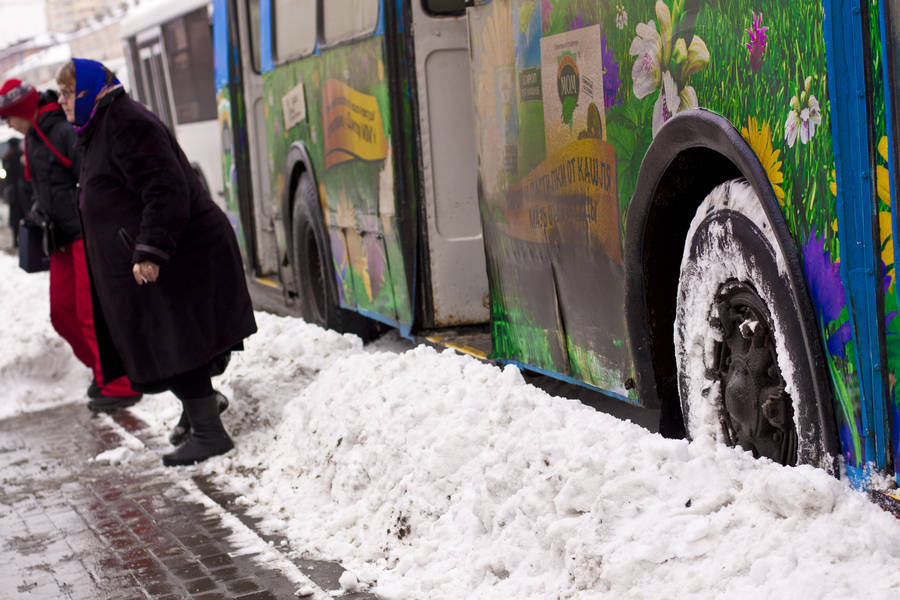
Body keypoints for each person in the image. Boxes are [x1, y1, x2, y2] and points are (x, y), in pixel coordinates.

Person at [56, 58, 257, 467]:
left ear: (88, 91)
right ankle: (199, 410)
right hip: (150, 255)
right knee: (165, 339)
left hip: (175, 254)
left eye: (65, 93)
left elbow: (164, 187)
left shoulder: (126, 124)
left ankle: (209, 433)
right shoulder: (100, 125)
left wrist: (150, 250)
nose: (60, 101)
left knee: (176, 338)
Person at [0, 78, 141, 405]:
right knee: (62, 313)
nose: (7, 124)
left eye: (8, 117)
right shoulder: (33, 137)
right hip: (59, 237)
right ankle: (102, 370)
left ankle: (122, 385)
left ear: (21, 110)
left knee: (90, 312)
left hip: (83, 233)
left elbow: (92, 177)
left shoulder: (61, 131)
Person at [1, 137, 29, 246]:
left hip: (14, 190)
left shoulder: (6, 158)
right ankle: (22, 238)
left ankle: (16, 239)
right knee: (23, 214)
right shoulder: (20, 155)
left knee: (15, 216)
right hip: (22, 190)